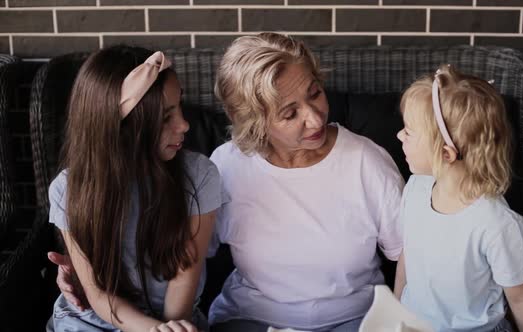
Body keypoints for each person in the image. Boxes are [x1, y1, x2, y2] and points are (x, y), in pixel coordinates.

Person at [49, 33, 405, 332]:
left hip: (354, 321)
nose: (314, 119)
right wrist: (82, 273)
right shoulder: (227, 166)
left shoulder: (366, 163)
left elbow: (412, 256)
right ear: (253, 120)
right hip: (251, 321)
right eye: (289, 113)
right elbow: (163, 251)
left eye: (314, 93)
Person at [46, 45, 221, 332]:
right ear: (122, 128)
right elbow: (98, 294)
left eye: (180, 107)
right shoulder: (69, 189)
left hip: (174, 321)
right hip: (92, 320)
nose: (185, 125)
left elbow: (183, 283)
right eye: (166, 118)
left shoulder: (198, 175)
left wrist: (164, 329)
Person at [393, 64, 523, 332]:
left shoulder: (496, 224)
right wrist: (395, 310)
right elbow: (408, 253)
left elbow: (521, 300)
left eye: (408, 131)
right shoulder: (415, 189)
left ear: (446, 153)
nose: (399, 135)